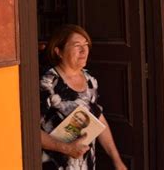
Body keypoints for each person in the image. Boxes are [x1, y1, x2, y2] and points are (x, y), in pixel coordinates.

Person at [40, 24, 127, 170]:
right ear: (59, 51)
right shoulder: (47, 83)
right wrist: (67, 149)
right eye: (77, 45)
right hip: (55, 165)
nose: (84, 50)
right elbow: (29, 131)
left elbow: (98, 118)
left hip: (85, 164)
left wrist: (116, 160)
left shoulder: (89, 80)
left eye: (86, 45)